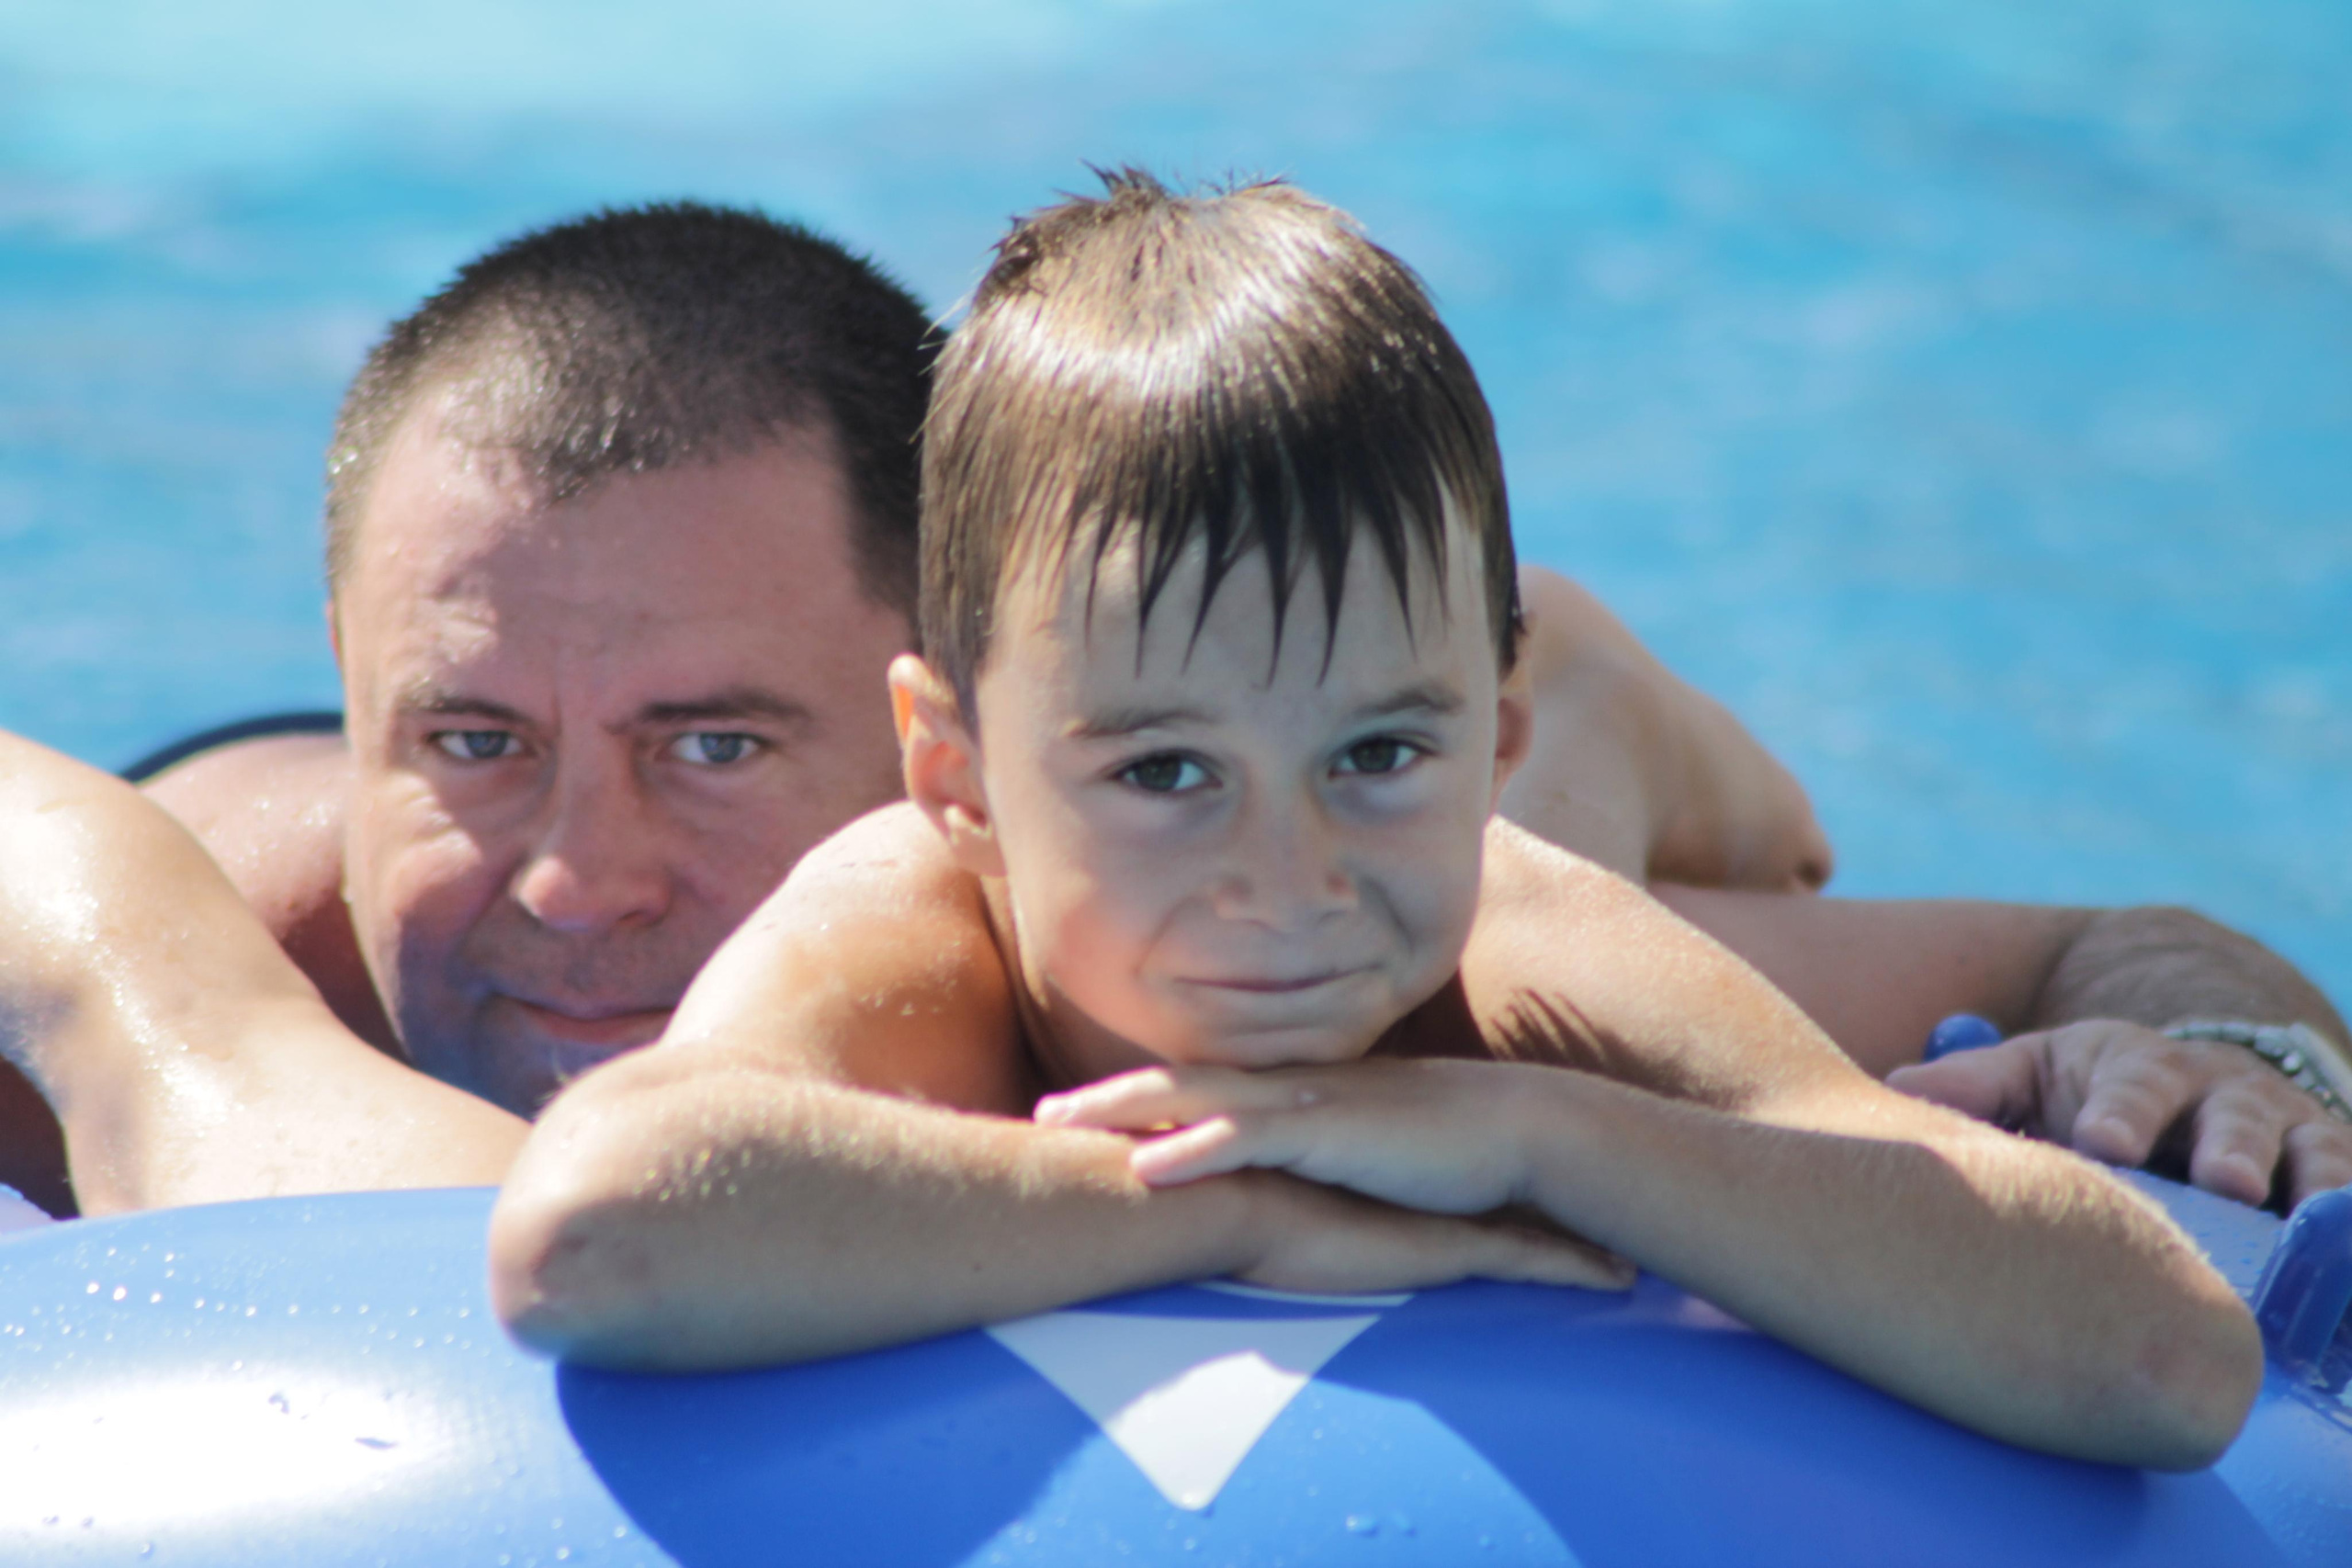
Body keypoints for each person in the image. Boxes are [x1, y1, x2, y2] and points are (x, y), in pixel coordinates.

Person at [0, 203, 2342, 1223]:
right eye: (472, 743)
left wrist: (2243, 1080)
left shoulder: (1264, 909)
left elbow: (2108, 942)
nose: (581, 877)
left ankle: (1577, 676)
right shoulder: (223, 955)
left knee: (1562, 812)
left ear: (952, 762)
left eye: (717, 741)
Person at [486, 175, 2259, 1472]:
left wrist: (1534, 1132)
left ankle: (1626, 721)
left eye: (1382, 758)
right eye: (1163, 773)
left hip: (1601, 830)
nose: (1289, 881)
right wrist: (1218, 1204)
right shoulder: (905, 918)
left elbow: (2168, 1366)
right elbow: (593, 1234)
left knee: (1634, 833)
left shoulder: (1523, 935)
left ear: (1484, 745)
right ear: (954, 776)